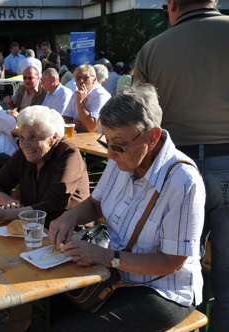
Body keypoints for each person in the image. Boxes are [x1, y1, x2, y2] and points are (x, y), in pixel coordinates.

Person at [48, 84, 205, 331]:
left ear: (152, 137)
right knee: (53, 303)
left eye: (118, 145)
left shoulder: (183, 181)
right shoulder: (122, 156)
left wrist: (108, 257)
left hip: (163, 289)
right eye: (106, 142)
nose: (110, 154)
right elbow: (95, 203)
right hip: (118, 275)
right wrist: (70, 217)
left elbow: (172, 262)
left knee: (75, 328)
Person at [133, 1, 229, 330]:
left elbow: (138, 121)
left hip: (177, 169)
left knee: (178, 267)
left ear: (173, 5)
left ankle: (188, 324)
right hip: (226, 162)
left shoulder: (152, 49)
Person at [0, 105, 89, 226]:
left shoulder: (68, 154)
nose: (24, 144)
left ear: (53, 138)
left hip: (71, 231)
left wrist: (4, 215)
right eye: (22, 137)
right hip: (35, 227)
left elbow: (54, 205)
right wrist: (6, 200)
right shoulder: (24, 154)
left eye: (33, 137)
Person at [63, 64, 111, 132]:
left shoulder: (101, 95)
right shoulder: (76, 91)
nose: (81, 81)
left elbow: (91, 127)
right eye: (78, 77)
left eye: (85, 77)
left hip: (96, 139)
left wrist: (80, 102)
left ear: (94, 80)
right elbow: (65, 118)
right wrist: (72, 124)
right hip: (79, 137)